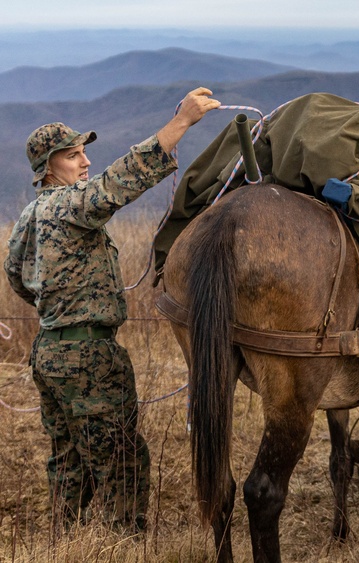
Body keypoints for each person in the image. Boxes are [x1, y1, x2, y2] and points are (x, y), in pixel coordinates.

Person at [4, 87, 220, 533]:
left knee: (68, 457)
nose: (84, 162)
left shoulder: (31, 214)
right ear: (48, 168)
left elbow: (15, 273)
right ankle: (124, 545)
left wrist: (56, 310)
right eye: (73, 156)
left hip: (50, 351)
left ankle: (66, 543)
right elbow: (115, 185)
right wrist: (179, 124)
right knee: (121, 459)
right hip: (88, 357)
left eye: (84, 152)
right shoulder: (67, 205)